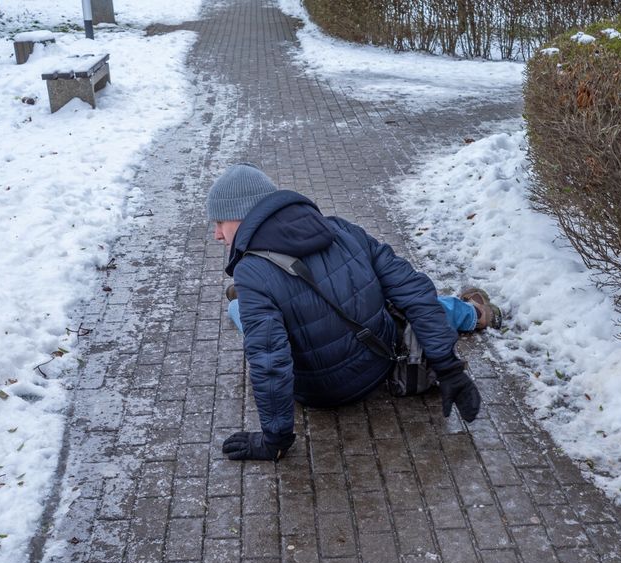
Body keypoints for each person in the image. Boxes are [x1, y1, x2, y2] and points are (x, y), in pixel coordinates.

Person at [208, 163, 503, 461]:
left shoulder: (249, 270)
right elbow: (413, 290)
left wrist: (275, 439)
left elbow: (270, 360)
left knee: (239, 309)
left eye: (220, 222)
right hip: (379, 360)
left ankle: (259, 299)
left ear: (244, 215)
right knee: (407, 303)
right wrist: (449, 368)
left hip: (320, 392)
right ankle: (474, 313)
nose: (217, 235)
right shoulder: (340, 228)